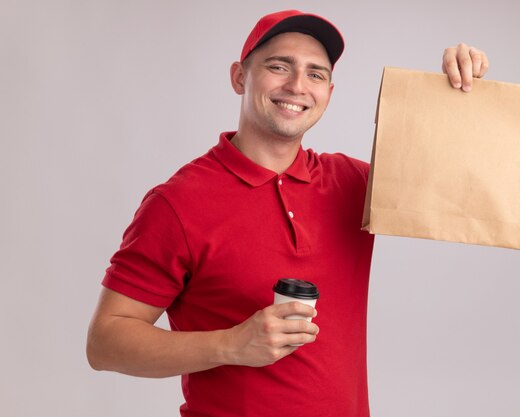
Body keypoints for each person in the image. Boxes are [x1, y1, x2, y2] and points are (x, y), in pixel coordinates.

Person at [86, 9, 489, 417]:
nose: (297, 86)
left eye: (315, 74)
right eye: (279, 66)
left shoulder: (355, 185)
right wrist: (232, 344)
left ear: (329, 92)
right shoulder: (178, 203)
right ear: (239, 77)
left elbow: (466, 188)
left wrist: (455, 91)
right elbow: (105, 342)